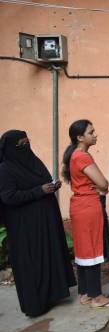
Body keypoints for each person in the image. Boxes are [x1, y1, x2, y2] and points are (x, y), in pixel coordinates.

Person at [0, 130, 76, 317]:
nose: (26, 147)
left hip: (44, 222)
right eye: (21, 145)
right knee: (32, 263)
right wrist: (39, 191)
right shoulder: (5, 169)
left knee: (47, 257)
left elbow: (41, 183)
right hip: (24, 227)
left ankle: (52, 295)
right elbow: (8, 197)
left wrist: (50, 186)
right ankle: (36, 304)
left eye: (28, 142)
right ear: (10, 148)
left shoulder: (33, 162)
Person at [64, 120, 109, 308]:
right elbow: (104, 184)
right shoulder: (82, 156)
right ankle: (97, 296)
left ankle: (86, 293)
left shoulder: (75, 155)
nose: (95, 135)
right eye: (91, 132)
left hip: (80, 205)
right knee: (93, 249)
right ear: (80, 137)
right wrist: (100, 187)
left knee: (83, 250)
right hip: (88, 206)